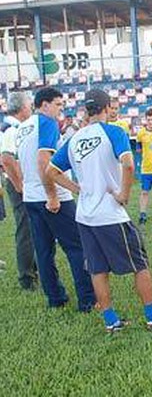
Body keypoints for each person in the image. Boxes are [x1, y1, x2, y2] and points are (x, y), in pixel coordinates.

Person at [46, 89, 152, 333]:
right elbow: (128, 164)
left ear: (86, 110)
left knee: (97, 269)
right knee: (140, 264)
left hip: (85, 216)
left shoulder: (73, 139)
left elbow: (51, 171)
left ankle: (111, 322)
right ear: (107, 109)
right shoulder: (114, 132)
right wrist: (124, 195)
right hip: (110, 214)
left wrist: (77, 189)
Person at [16, 87, 96, 311]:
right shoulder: (47, 123)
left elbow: (24, 163)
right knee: (77, 247)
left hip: (32, 197)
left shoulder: (23, 127)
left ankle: (55, 298)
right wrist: (52, 195)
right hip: (51, 197)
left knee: (43, 250)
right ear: (44, 105)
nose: (62, 109)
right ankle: (89, 300)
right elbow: (44, 161)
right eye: (58, 104)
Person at [0, 92, 38, 290]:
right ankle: (27, 278)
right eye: (29, 105)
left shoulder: (11, 127)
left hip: (18, 183)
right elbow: (6, 159)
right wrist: (20, 186)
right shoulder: (11, 129)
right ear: (22, 108)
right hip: (18, 185)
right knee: (25, 231)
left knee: (29, 229)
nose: (31, 108)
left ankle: (31, 271)